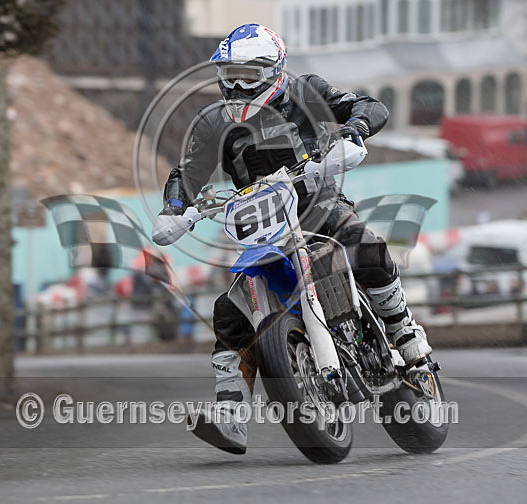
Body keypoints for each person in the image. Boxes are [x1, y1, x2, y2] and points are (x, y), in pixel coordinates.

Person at [159, 24, 431, 454]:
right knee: (230, 310)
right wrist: (176, 208)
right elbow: (187, 173)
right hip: (261, 226)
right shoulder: (214, 123)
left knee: (367, 249)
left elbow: (367, 105)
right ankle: (231, 415)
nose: (235, 84)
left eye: (247, 75)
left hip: (319, 206)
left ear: (272, 71)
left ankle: (404, 332)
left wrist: (353, 129)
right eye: (228, 74)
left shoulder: (306, 91)